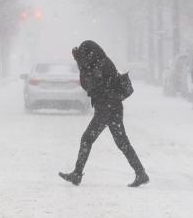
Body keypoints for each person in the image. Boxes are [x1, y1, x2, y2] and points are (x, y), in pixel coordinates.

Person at [59, 40, 149, 188]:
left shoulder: (99, 65)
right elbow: (88, 82)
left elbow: (87, 83)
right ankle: (141, 173)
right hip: (112, 107)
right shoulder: (101, 62)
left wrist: (79, 62)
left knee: (87, 139)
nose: (82, 55)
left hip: (107, 108)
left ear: (89, 52)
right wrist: (80, 62)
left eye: (83, 52)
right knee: (121, 142)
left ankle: (77, 174)